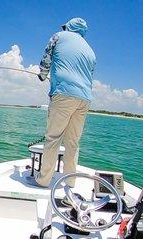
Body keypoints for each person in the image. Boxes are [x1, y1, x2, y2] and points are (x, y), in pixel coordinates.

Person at [33, 17, 96, 188]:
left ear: (69, 27)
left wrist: (43, 74)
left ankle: (44, 180)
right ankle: (70, 182)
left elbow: (47, 56)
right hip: (84, 98)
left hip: (64, 94)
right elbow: (90, 75)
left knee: (53, 138)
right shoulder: (91, 51)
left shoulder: (59, 36)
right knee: (73, 143)